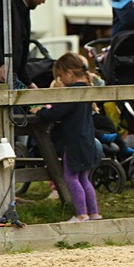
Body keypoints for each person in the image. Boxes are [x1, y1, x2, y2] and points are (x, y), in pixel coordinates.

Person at [33, 51, 101, 222]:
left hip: (74, 143)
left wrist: (40, 111)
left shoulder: (71, 93)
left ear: (70, 73)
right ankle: (94, 213)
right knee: (84, 178)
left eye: (61, 77)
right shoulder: (87, 90)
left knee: (71, 177)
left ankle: (81, 214)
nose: (61, 81)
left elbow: (55, 113)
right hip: (87, 142)